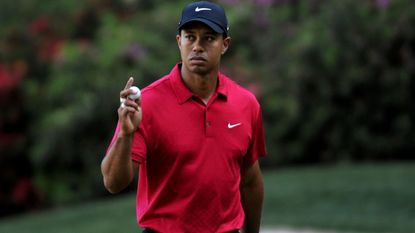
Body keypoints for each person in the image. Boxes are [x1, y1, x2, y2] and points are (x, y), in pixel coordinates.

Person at [101, 1, 266, 233]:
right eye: (190, 37)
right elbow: (113, 183)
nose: (197, 46)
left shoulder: (246, 104)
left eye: (209, 38)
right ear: (179, 41)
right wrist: (126, 135)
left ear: (225, 45)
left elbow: (250, 180)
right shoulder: (146, 103)